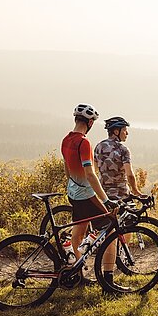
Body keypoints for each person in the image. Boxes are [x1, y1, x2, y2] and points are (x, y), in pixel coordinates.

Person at [60, 103, 121, 291]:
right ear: (90, 122)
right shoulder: (83, 142)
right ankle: (108, 281)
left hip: (73, 193)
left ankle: (79, 273)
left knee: (78, 233)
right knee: (111, 229)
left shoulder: (66, 140)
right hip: (86, 195)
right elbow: (90, 174)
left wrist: (74, 186)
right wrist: (105, 200)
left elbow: (67, 170)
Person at [94, 116, 144, 201]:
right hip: (121, 194)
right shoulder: (123, 149)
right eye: (124, 130)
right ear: (116, 132)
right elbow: (130, 175)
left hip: (104, 195)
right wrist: (135, 190)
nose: (127, 133)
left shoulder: (99, 146)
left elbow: (94, 170)